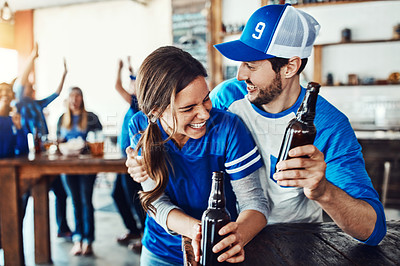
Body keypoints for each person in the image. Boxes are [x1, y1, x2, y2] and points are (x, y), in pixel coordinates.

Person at [127, 4, 386, 247]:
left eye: (251, 65)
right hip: (235, 235)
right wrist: (145, 160)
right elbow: (180, 136)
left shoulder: (328, 125)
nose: (241, 75)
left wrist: (323, 190)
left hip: (294, 241)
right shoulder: (227, 97)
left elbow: (372, 230)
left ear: (290, 67)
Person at [126, 46, 269, 265]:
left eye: (206, 99)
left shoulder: (228, 128)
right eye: (188, 108)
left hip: (219, 252)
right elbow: (156, 201)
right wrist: (199, 231)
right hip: (160, 252)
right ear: (155, 111)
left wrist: (237, 237)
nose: (204, 113)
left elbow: (255, 203)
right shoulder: (139, 127)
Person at [13, 43, 71, 237]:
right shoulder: (20, 103)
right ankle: (13, 234)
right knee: (25, 196)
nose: (32, 88)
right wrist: (32, 57)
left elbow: (56, 94)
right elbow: (22, 81)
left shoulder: (37, 104)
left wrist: (64, 74)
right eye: (30, 86)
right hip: (29, 156)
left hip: (44, 153)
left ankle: (62, 228)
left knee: (60, 192)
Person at [57, 86, 102, 256]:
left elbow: (99, 138)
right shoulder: (62, 119)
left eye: (77, 96)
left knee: (86, 201)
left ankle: (88, 241)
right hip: (67, 166)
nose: (74, 100)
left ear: (82, 99)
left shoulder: (91, 118)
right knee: (75, 202)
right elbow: (59, 140)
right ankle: (78, 239)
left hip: (87, 166)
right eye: (71, 96)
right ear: (67, 100)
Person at [112, 57, 145, 252]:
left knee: (135, 199)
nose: (131, 85)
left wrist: (119, 69)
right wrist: (130, 71)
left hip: (132, 159)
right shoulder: (134, 102)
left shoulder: (136, 102)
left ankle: (142, 235)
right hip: (122, 160)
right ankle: (133, 230)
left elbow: (117, 86)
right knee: (117, 194)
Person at [0, 81, 29, 250]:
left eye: (8, 92)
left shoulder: (14, 120)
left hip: (11, 177)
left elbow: (23, 149)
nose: (5, 94)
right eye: (1, 91)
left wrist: (19, 129)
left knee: (15, 220)